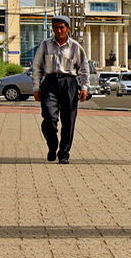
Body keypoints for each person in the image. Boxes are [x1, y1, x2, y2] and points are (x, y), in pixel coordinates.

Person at [32, 15, 90, 164]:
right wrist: (36, 87)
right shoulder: (45, 45)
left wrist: (84, 87)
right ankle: (52, 145)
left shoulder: (75, 46)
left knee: (68, 121)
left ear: (68, 29)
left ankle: (64, 153)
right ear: (53, 29)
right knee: (49, 117)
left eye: (62, 27)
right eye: (56, 27)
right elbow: (37, 67)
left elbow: (84, 68)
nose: (59, 30)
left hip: (69, 84)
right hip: (50, 83)